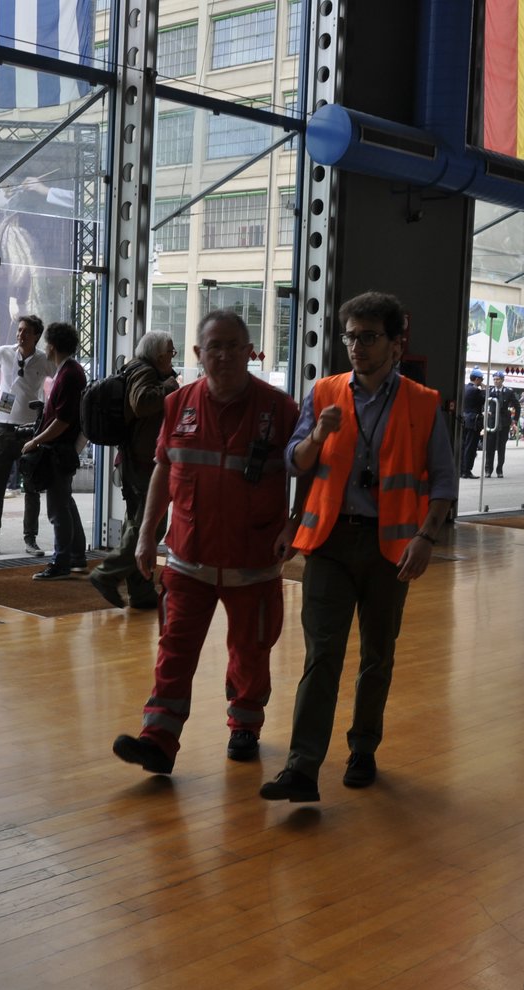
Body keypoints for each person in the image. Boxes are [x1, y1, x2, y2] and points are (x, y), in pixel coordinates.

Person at [260, 292, 457, 802]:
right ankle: (302, 768)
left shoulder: (421, 401)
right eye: (350, 336)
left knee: (377, 657)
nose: (356, 347)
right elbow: (296, 462)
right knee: (321, 655)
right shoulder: (324, 393)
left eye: (368, 337)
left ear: (396, 344)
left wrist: (426, 537)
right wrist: (317, 437)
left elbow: (443, 480)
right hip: (328, 541)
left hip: (390, 550)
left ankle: (363, 749)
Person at [111, 312, 299, 773]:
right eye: (214, 346)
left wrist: (296, 523)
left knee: (250, 650)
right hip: (188, 557)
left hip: (252, 561)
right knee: (174, 648)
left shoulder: (279, 409)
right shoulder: (177, 405)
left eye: (235, 345)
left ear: (251, 351)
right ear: (198, 354)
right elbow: (162, 469)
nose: (225, 355)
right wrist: (144, 536)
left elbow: (309, 471)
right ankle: (158, 740)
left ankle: (245, 725)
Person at [88, 330, 179, 610]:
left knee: (136, 523)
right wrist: (169, 386)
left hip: (138, 460)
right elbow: (141, 403)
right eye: (171, 352)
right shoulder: (144, 371)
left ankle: (141, 592)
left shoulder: (141, 369)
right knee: (150, 526)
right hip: (141, 461)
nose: (173, 356)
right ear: (159, 354)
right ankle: (107, 573)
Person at [0, 315, 51, 557]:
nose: (20, 334)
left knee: (32, 488)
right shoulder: (4, 352)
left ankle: (31, 540)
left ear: (36, 335)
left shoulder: (44, 360)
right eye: (19, 330)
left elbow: (57, 378)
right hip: (4, 428)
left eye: (26, 331)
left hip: (30, 431)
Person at [22, 321, 88, 580]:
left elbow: (63, 420)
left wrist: (36, 440)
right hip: (64, 449)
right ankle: (77, 558)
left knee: (57, 509)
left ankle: (60, 563)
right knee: (66, 504)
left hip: (59, 449)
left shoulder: (69, 374)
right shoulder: (71, 371)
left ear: (52, 346)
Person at [482, 370, 520, 477]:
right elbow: (483, 403)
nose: (495, 381)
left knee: (501, 447)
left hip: (503, 423)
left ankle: (499, 470)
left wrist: (514, 420)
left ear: (502, 380)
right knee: (489, 447)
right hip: (492, 423)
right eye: (494, 379)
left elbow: (517, 406)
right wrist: (484, 412)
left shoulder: (508, 392)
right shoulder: (490, 391)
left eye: (498, 379)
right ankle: (488, 470)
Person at [460, 368, 484, 478]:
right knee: (471, 447)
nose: (482, 382)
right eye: (481, 379)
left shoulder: (464, 388)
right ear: (477, 379)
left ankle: (461, 469)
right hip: (473, 421)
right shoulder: (476, 391)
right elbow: (482, 401)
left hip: (464, 420)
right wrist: (483, 390)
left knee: (463, 445)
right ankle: (467, 470)